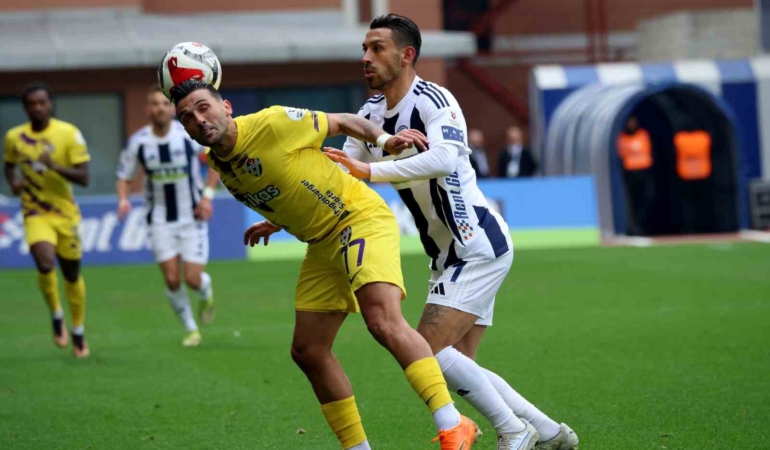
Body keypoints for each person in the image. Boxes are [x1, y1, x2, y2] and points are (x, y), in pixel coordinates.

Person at [169, 78, 477, 450]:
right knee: (308, 351)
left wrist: (384, 141)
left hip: (357, 217)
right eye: (187, 116)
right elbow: (289, 179)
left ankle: (452, 422)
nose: (198, 119)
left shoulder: (272, 122)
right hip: (321, 243)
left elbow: (346, 121)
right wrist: (279, 220)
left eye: (204, 107)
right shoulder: (218, 161)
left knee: (381, 320)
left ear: (226, 107)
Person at [324, 14, 577, 450]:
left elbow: (442, 158)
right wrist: (289, 210)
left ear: (407, 56)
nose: (366, 57)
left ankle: (515, 432)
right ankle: (551, 432)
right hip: (446, 256)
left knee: (426, 350)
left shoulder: (434, 99)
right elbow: (340, 176)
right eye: (364, 48)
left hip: (476, 242)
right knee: (454, 361)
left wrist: (370, 168)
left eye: (377, 48)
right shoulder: (368, 114)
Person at [116, 85, 220, 347]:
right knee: (172, 279)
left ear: (171, 108)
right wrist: (123, 199)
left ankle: (205, 292)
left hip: (192, 215)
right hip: (159, 218)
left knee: (192, 279)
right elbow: (124, 176)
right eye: (154, 104)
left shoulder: (187, 136)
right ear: (148, 109)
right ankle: (191, 329)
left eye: (164, 104)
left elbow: (215, 162)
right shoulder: (138, 142)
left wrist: (207, 196)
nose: (159, 108)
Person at [2, 84, 91, 358]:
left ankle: (77, 331)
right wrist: (14, 183)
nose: (37, 108)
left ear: (50, 104)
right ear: (25, 108)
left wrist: (54, 166)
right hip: (35, 212)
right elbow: (9, 164)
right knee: (44, 262)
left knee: (72, 274)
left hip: (66, 214)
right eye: (32, 103)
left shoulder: (68, 134)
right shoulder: (15, 137)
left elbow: (84, 178)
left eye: (42, 102)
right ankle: (55, 315)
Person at [617, 116, 655, 236]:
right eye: (630, 122)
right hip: (631, 174)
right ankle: (634, 227)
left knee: (648, 199)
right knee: (632, 202)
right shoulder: (622, 138)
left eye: (634, 122)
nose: (632, 124)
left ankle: (644, 225)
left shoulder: (643, 134)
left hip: (645, 173)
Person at [674, 128, 712, 234]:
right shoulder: (704, 137)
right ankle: (704, 227)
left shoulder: (680, 138)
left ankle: (690, 228)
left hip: (686, 176)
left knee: (689, 206)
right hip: (702, 174)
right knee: (702, 205)